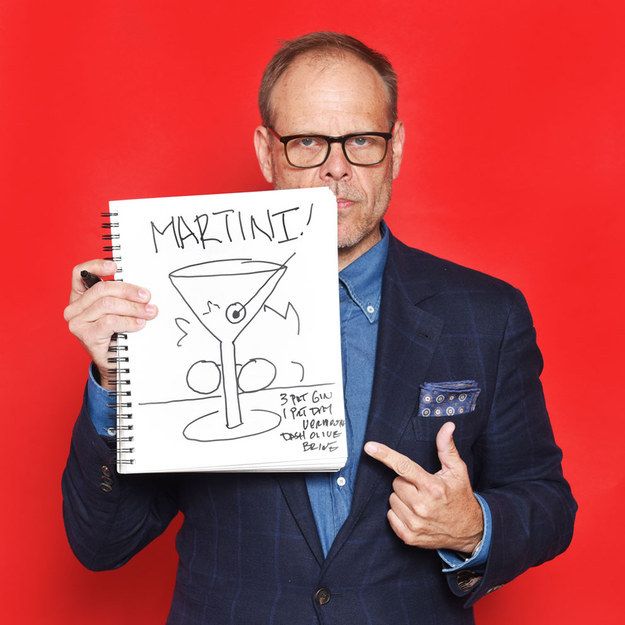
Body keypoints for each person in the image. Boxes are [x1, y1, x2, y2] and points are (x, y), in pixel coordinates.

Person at [62, 32, 577, 625]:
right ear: (267, 152)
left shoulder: (486, 315)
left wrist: (474, 527)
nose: (337, 167)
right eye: (307, 141)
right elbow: (102, 542)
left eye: (362, 140)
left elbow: (546, 501)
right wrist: (115, 380)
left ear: (396, 148)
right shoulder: (171, 312)